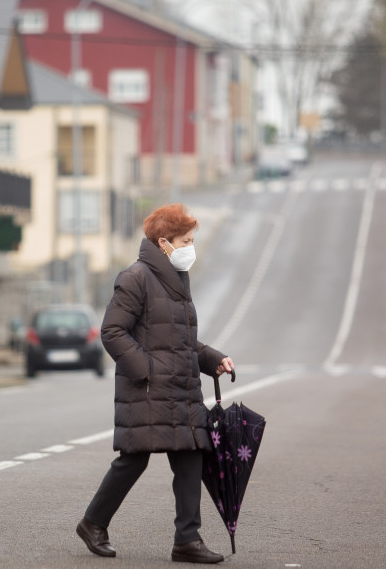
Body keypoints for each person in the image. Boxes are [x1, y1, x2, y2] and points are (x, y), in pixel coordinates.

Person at [76, 203, 235, 564]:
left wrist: (212, 359)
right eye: (186, 240)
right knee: (134, 459)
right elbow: (112, 331)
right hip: (150, 388)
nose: (191, 247)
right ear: (164, 243)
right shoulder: (135, 278)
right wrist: (146, 369)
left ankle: (187, 540)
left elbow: (176, 339)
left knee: (192, 454)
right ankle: (93, 522)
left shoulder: (177, 280)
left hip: (181, 388)